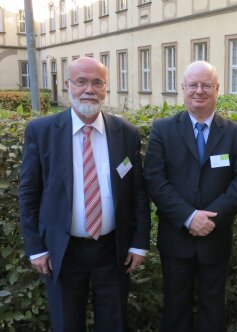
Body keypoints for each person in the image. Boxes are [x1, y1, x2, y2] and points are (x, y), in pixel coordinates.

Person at [19, 57, 151, 331]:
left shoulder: (126, 133)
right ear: (68, 85)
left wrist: (139, 242)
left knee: (113, 321)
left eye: (97, 82)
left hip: (112, 249)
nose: (89, 89)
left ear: (106, 88)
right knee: (67, 323)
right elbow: (29, 193)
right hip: (61, 250)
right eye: (81, 82)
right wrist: (36, 248)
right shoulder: (42, 132)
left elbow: (138, 192)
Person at [144, 61, 237, 332]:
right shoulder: (162, 130)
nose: (199, 91)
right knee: (175, 305)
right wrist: (189, 217)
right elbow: (156, 181)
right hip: (176, 236)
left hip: (216, 236)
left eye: (206, 85)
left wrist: (210, 218)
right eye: (193, 85)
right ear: (182, 89)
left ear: (217, 89)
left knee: (213, 305)